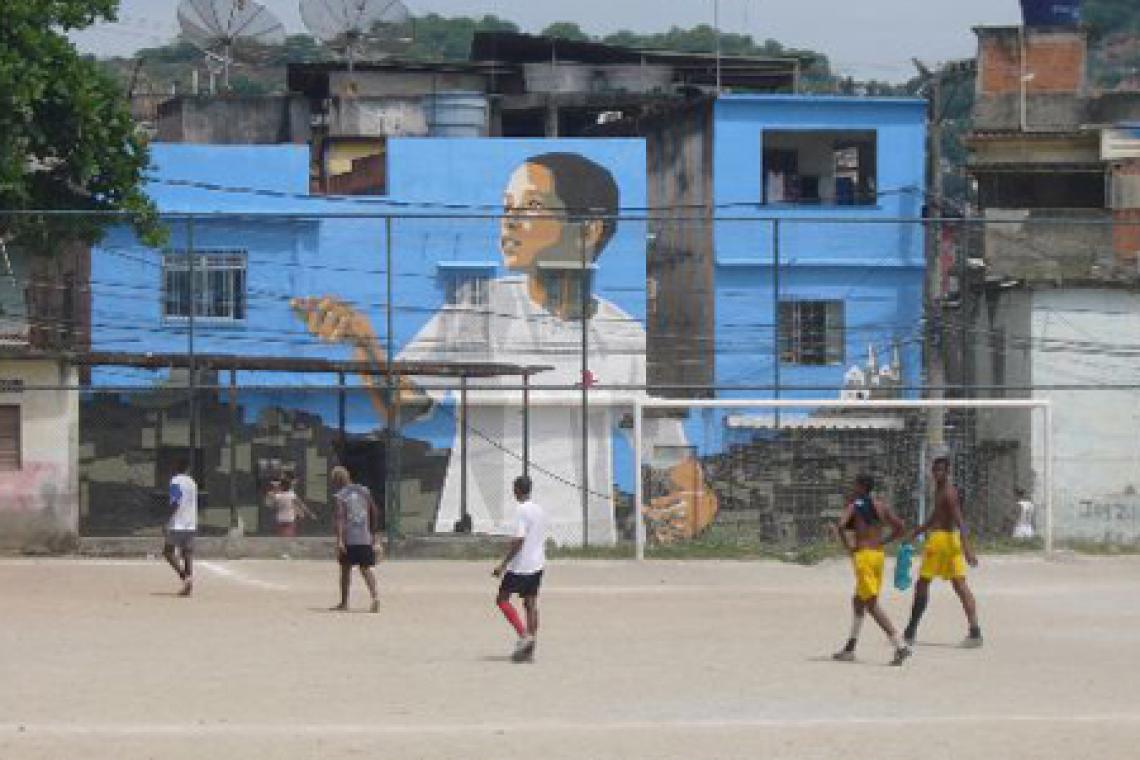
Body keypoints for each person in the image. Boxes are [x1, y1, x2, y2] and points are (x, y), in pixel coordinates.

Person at [292, 152, 717, 546]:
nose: (508, 220)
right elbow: (403, 405)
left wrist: (697, 494)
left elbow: (660, 439)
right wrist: (365, 345)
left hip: (581, 545)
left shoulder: (622, 335)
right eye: (506, 206)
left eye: (529, 207)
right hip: (475, 538)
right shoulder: (477, 307)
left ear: (588, 230)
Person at [903, 455, 983, 648]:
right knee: (957, 586)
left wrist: (967, 548)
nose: (937, 473)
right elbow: (935, 517)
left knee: (924, 583)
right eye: (935, 470)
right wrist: (917, 531)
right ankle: (975, 633)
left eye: (941, 470)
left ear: (948, 472)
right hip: (948, 541)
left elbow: (960, 521)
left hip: (941, 542)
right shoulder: (939, 490)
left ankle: (911, 630)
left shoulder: (948, 492)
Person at [832, 474, 911, 666]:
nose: (852, 489)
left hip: (864, 558)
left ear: (860, 487)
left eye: (854, 485)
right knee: (858, 600)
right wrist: (884, 541)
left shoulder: (855, 506)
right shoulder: (881, 506)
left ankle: (899, 645)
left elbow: (841, 526)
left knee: (871, 604)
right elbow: (900, 527)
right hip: (878, 557)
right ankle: (850, 647)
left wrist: (848, 548)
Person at [492, 475, 546, 662]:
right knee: (530, 605)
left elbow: (519, 540)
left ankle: (524, 636)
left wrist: (503, 564)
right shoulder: (539, 510)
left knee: (502, 600)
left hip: (521, 566)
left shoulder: (521, 510)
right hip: (537, 564)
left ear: (516, 490)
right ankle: (530, 647)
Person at [330, 466, 380, 613]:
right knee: (365, 568)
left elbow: (340, 518)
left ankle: (344, 603)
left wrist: (339, 540)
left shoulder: (341, 496)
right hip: (365, 536)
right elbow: (374, 511)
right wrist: (374, 533)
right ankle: (375, 596)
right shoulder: (364, 491)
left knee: (345, 570)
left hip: (349, 538)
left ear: (337, 481)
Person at [163, 458, 198, 597]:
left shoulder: (175, 481)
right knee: (187, 553)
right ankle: (189, 579)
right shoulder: (192, 482)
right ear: (187, 469)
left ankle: (184, 577)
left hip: (178, 522)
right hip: (191, 521)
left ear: (175, 467)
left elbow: (175, 501)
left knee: (168, 552)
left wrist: (168, 520)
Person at [267, 473, 314, 538]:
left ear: (281, 486)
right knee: (289, 536)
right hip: (290, 519)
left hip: (280, 519)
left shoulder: (277, 496)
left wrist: (272, 495)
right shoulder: (292, 495)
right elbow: (302, 505)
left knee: (281, 536)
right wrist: (310, 514)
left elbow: (272, 506)